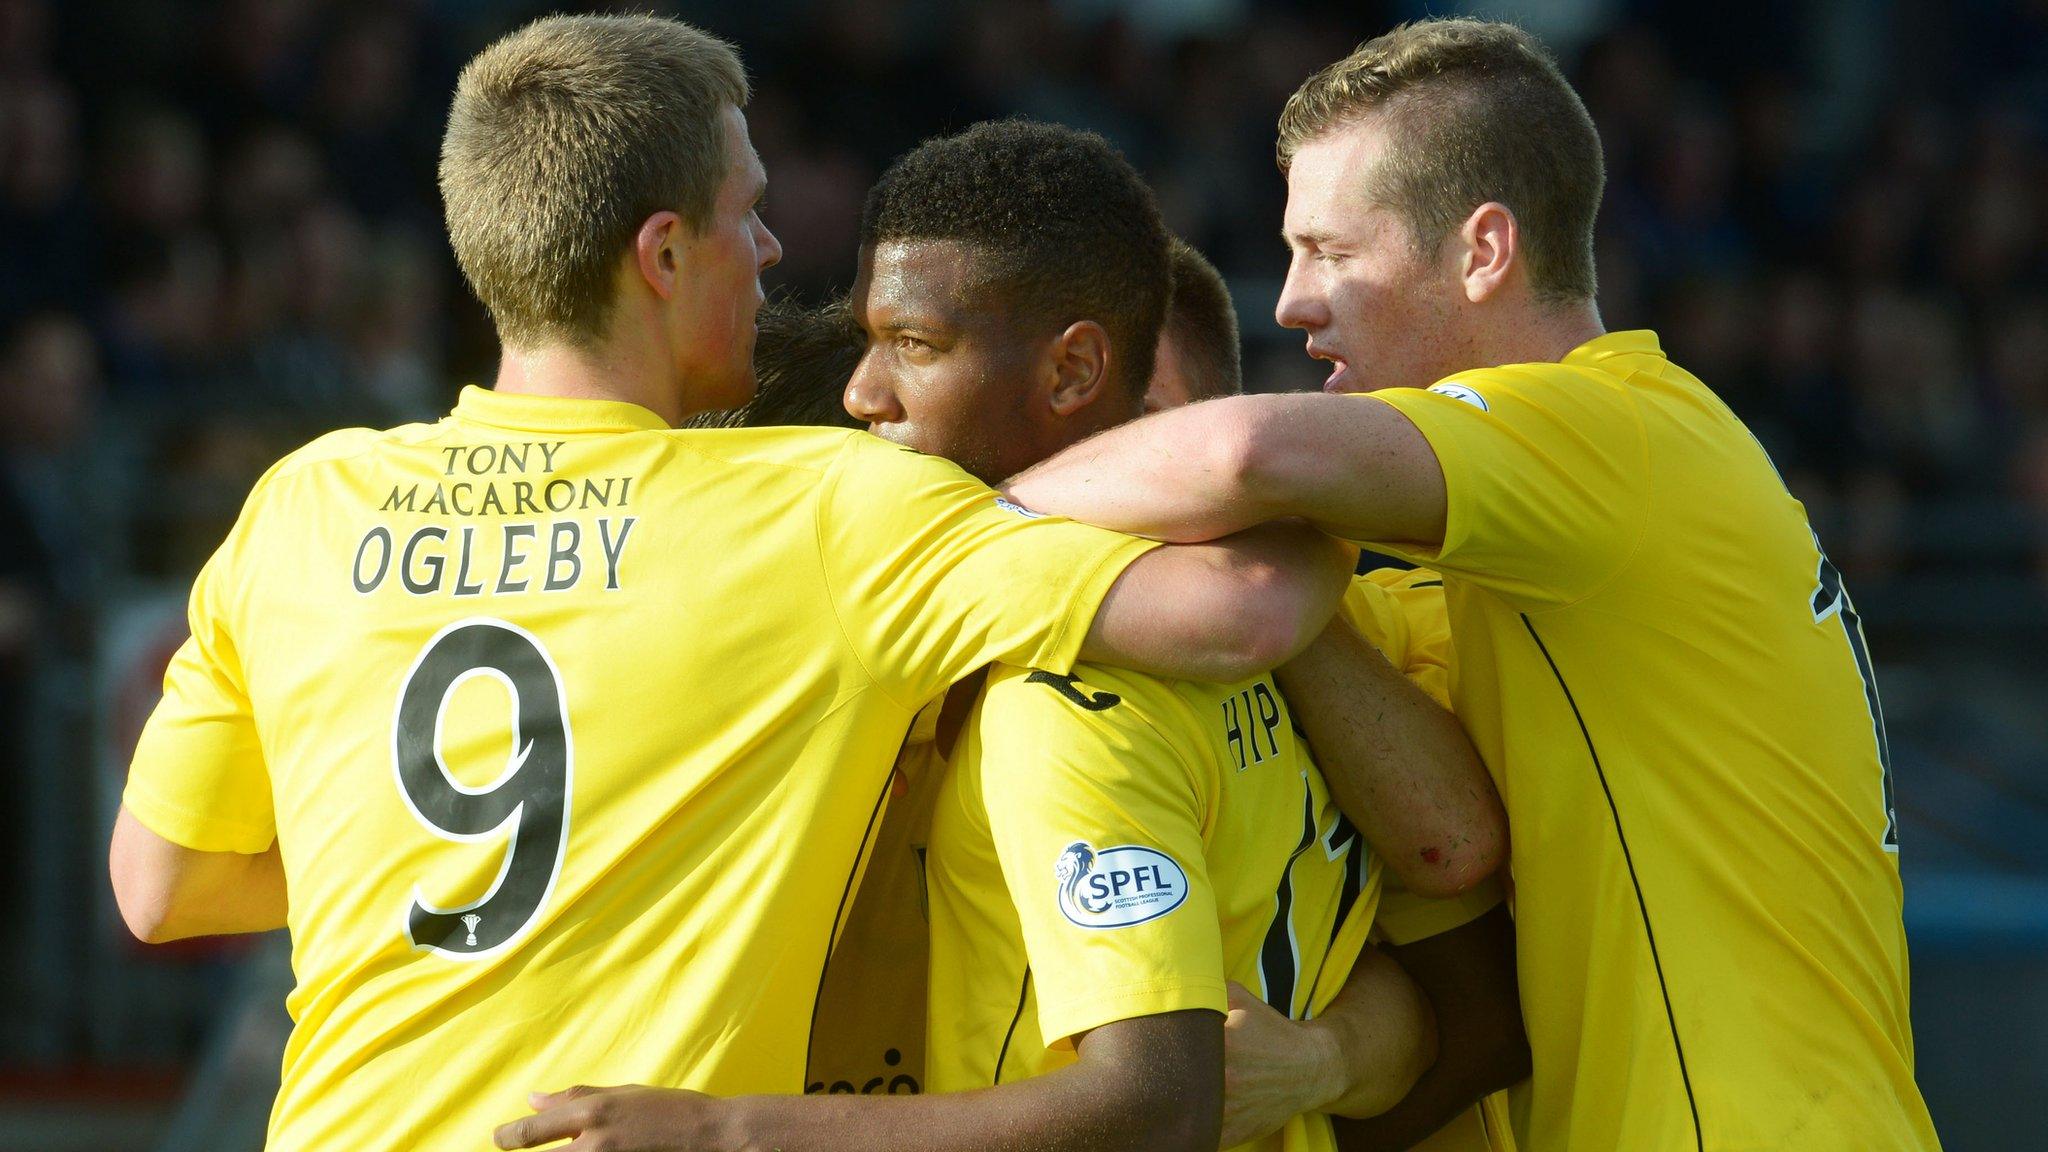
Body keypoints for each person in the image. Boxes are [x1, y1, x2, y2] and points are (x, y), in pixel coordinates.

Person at [105, 17, 1355, 1150]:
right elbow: (1244, 608)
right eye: (744, 212)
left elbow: (158, 890)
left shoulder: (303, 503)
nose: (768, 249)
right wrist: (1317, 506)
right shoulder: (825, 509)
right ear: (661, 253)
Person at [1004, 19, 1941, 1152]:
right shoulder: (1556, 531)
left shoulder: (1613, 430)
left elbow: (1245, 457)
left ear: (1483, 250)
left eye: (1332, 252)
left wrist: (933, 522)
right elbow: (1449, 848)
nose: (1293, 301)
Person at [493, 120, 1487, 1152]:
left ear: (1082, 380)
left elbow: (1166, 1097)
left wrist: (718, 1132)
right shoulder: (917, 604)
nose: (863, 395)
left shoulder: (1074, 696)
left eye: (912, 348)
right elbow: (1438, 898)